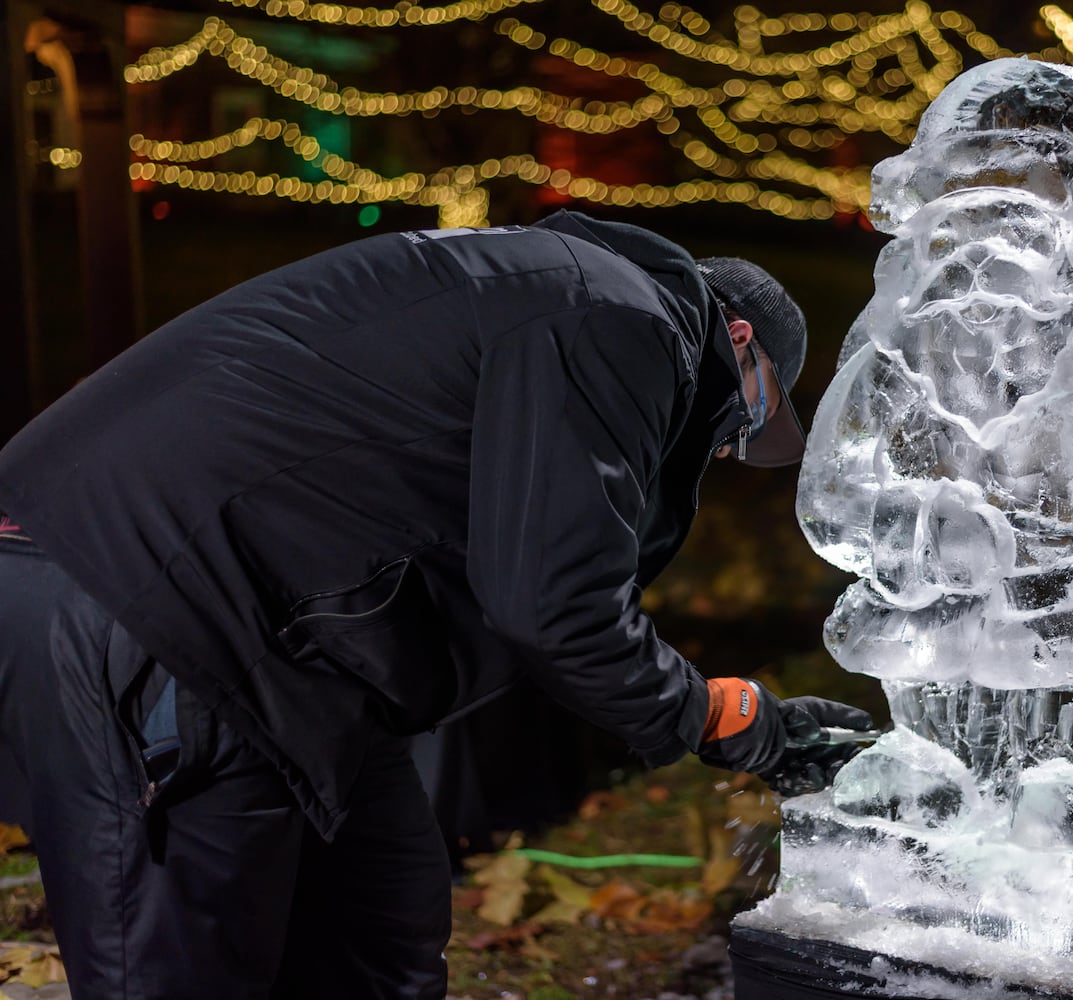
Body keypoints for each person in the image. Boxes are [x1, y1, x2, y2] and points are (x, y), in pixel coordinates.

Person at [0, 210, 873, 999]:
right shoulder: (618, 317)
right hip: (144, 605)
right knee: (185, 967)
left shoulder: (549, 288)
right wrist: (720, 718)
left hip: (276, 645)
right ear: (739, 340)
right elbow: (555, 605)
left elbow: (509, 570)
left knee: (382, 933)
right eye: (744, 420)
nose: (725, 449)